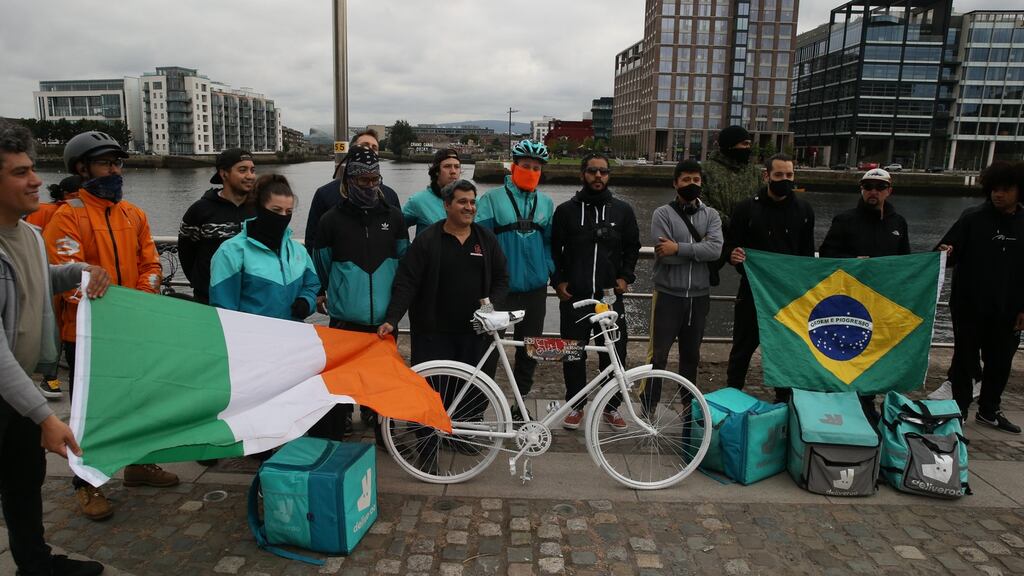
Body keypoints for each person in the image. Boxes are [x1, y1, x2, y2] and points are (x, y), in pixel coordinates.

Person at [44, 130, 177, 521]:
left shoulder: (134, 214)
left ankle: (138, 463)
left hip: (131, 329)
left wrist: (138, 301)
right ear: (82, 168)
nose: (115, 170)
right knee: (92, 412)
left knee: (140, 401)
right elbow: (68, 278)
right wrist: (110, 309)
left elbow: (150, 264)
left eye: (117, 162)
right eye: (105, 163)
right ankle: (86, 483)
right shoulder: (67, 216)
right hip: (85, 336)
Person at [0, 118, 109, 576]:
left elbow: (34, 281)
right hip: (11, 390)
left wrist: (78, 270)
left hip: (18, 391)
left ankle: (35, 564)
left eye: (32, 168)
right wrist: (45, 416)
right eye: (20, 172)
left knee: (25, 480)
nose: (35, 180)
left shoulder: (27, 234)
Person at [379, 179, 508, 467]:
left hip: (475, 333)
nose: (469, 207)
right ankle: (427, 451)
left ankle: (455, 435)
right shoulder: (428, 240)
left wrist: (491, 307)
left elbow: (502, 278)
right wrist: (392, 318)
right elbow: (407, 282)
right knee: (431, 392)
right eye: (462, 201)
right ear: (447, 205)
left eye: (472, 202)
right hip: (434, 332)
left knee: (470, 390)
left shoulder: (486, 239)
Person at [312, 147, 407, 438]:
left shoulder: (394, 217)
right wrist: (326, 292)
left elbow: (404, 262)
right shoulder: (330, 220)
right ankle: (339, 424)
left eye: (375, 179)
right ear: (349, 181)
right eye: (363, 180)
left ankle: (384, 432)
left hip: (384, 319)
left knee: (383, 379)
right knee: (343, 378)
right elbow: (322, 264)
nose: (370, 186)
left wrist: (395, 311)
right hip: (346, 317)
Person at [551, 154, 640, 430]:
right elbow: (554, 249)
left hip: (609, 297)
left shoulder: (623, 210)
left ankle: (611, 407)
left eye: (603, 171)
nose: (598, 176)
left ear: (609, 175)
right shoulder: (565, 211)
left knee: (614, 353)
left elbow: (633, 247)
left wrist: (625, 276)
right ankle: (576, 405)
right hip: (575, 296)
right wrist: (558, 281)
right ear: (583, 174)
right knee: (573, 353)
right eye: (592, 171)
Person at [938, 160, 1024, 433]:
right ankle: (959, 410)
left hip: (1009, 309)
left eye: (1006, 190)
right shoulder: (972, 218)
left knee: (1000, 362)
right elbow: (945, 255)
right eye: (994, 189)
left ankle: (989, 410)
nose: (998, 194)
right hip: (968, 307)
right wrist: (945, 251)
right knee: (964, 361)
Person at [819, 168, 908, 424]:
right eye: (868, 187)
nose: (873, 192)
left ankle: (868, 400)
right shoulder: (844, 220)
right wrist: (853, 261)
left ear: (889, 191)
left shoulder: (898, 223)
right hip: (849, 301)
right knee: (847, 350)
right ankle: (842, 399)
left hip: (881, 302)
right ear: (861, 189)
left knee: (874, 353)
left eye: (879, 187)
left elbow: (906, 261)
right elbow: (826, 255)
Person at [476, 140, 554, 419]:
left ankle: (520, 406)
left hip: (535, 290)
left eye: (536, 168)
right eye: (526, 166)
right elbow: (480, 244)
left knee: (530, 351)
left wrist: (550, 270)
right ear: (513, 167)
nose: (531, 171)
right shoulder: (491, 199)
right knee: (488, 350)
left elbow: (549, 243)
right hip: (499, 291)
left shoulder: (546, 203)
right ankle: (475, 408)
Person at [726, 154, 814, 402]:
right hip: (752, 291)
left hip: (788, 296)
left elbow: (807, 255)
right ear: (766, 176)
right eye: (779, 175)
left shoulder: (805, 210)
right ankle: (732, 395)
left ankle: (783, 401)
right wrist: (732, 255)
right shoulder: (746, 209)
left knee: (785, 350)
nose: (785, 180)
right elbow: (730, 245)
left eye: (789, 175)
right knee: (742, 348)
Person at [648, 159, 723, 392]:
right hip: (668, 296)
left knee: (691, 357)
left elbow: (716, 250)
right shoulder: (662, 214)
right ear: (675, 183)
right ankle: (649, 404)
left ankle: (688, 404)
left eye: (696, 180)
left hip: (699, 297)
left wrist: (678, 248)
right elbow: (665, 256)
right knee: (658, 356)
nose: (692, 184)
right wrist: (699, 251)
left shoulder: (712, 215)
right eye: (686, 180)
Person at [209, 174, 319, 320]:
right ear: (259, 208)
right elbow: (223, 309)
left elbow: (312, 285)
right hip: (251, 333)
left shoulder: (298, 251)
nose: (283, 216)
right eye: (276, 210)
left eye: (288, 212)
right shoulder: (231, 252)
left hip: (293, 332)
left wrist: (306, 301)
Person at [24, 175, 80, 400]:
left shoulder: (48, 210)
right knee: (55, 329)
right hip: (53, 277)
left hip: (57, 275)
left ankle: (50, 377)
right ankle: (49, 377)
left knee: (56, 329)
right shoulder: (57, 212)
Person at [178, 148, 257, 304]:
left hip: (250, 298)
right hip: (209, 298)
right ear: (224, 174)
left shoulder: (260, 209)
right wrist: (201, 283)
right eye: (242, 170)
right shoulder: (199, 210)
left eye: (252, 170)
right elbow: (186, 252)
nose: (250, 176)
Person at [303, 129, 400, 254]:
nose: (369, 150)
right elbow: (312, 241)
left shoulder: (390, 196)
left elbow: (399, 242)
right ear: (352, 151)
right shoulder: (325, 195)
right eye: (365, 145)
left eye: (374, 147)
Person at [702, 125, 761, 230]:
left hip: (750, 234)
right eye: (744, 144)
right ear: (730, 145)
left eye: (749, 144)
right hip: (716, 233)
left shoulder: (754, 172)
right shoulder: (705, 170)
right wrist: (731, 223)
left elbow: (763, 199)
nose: (748, 148)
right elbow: (701, 203)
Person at [402, 148, 462, 236]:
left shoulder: (472, 202)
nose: (453, 171)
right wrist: (404, 244)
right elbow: (396, 227)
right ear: (437, 171)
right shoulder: (419, 201)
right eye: (447, 166)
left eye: (457, 167)